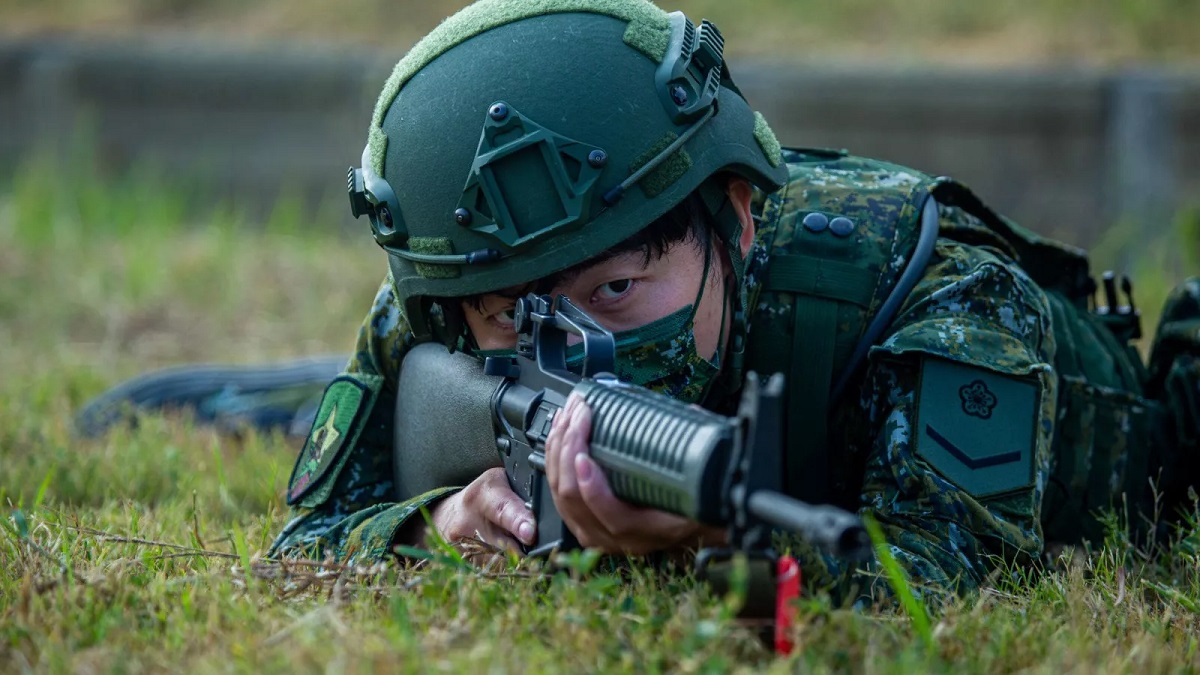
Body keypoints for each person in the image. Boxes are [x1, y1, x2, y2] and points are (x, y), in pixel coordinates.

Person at [82, 0, 1199, 603]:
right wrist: (439, 526)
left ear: (738, 218)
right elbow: (303, 546)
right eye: (519, 326)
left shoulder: (940, 302)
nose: (580, 357)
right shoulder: (462, 288)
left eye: (618, 292)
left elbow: (946, 603)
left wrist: (710, 557)